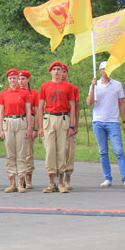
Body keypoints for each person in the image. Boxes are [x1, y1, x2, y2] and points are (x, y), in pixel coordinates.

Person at [86, 62, 125, 188]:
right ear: (100, 70)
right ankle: (107, 178)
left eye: (109, 68)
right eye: (104, 69)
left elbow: (122, 103)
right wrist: (93, 87)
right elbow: (89, 103)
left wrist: (124, 121)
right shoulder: (95, 84)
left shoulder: (117, 85)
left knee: (119, 150)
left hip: (112, 121)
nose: (106, 71)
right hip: (98, 121)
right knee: (103, 151)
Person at [38, 61, 76, 193]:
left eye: (59, 69)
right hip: (49, 118)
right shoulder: (45, 86)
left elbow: (72, 107)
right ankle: (50, 181)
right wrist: (40, 127)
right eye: (54, 69)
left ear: (62, 72)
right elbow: (41, 106)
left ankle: (60, 181)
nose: (56, 72)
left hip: (63, 118)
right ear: (50, 72)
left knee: (62, 150)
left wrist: (72, 125)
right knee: (50, 150)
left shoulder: (68, 87)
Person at [0, 69, 33, 193]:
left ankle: (21, 182)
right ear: (8, 80)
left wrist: (29, 127)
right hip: (8, 122)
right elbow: (1, 112)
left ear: (18, 79)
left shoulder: (24, 93)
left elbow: (28, 111)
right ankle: (11, 181)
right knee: (10, 153)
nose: (13, 80)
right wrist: (1, 128)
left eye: (15, 78)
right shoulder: (4, 93)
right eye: (10, 78)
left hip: (21, 121)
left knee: (21, 152)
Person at [18, 70, 39, 188]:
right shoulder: (15, 92)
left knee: (28, 151)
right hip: (18, 120)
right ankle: (20, 176)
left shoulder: (34, 93)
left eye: (23, 79)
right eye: (19, 79)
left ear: (28, 80)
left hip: (29, 120)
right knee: (18, 150)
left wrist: (35, 128)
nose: (21, 81)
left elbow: (36, 111)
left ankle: (28, 176)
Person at [61, 65, 80, 190]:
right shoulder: (50, 86)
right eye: (59, 71)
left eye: (64, 72)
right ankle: (57, 179)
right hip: (56, 119)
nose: (61, 74)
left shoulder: (73, 88)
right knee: (58, 150)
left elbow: (76, 108)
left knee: (69, 151)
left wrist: (75, 125)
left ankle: (67, 177)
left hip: (69, 119)